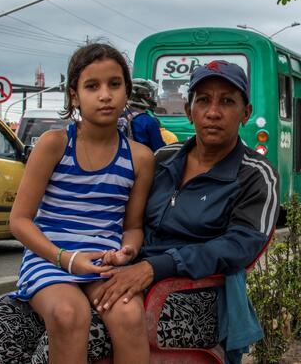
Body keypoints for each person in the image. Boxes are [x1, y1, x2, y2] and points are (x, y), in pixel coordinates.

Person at [91, 60, 278, 363]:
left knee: (70, 334)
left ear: (245, 113)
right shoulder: (162, 159)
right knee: (9, 317)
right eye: (203, 100)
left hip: (198, 296)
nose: (213, 112)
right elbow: (125, 216)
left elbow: (240, 245)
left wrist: (156, 267)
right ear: (189, 111)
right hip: (132, 278)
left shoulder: (255, 173)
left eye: (227, 101)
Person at [8, 43, 155, 363]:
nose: (105, 95)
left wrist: (127, 251)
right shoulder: (54, 144)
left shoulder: (139, 157)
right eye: (92, 86)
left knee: (130, 316)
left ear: (127, 91)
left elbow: (132, 226)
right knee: (68, 313)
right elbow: (19, 221)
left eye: (115, 84)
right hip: (50, 259)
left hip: (104, 264)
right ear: (74, 95)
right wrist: (65, 258)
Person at [119, 78, 166, 152]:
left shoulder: (119, 116)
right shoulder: (148, 121)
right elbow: (159, 150)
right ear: (140, 97)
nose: (151, 99)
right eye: (148, 95)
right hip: (143, 161)